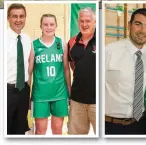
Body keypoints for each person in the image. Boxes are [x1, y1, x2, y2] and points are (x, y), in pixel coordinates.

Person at [105, 8, 146, 134]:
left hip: (142, 125)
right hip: (111, 126)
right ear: (129, 25)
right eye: (138, 24)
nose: (143, 30)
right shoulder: (108, 52)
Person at [28, 14, 71, 135]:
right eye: (45, 24)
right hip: (40, 94)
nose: (49, 27)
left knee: (57, 130)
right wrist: (28, 93)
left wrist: (69, 89)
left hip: (60, 93)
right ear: (40, 26)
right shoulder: (34, 45)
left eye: (51, 24)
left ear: (56, 26)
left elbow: (66, 69)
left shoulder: (62, 43)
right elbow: (29, 72)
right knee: (40, 131)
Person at [67, 7, 96, 135]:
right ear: (78, 22)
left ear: (94, 22)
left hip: (98, 102)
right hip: (77, 100)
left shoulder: (102, 40)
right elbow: (73, 66)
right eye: (82, 21)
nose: (84, 24)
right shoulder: (72, 42)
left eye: (88, 21)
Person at [7, 3, 31, 135]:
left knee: (20, 128)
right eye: (14, 16)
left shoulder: (27, 39)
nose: (18, 20)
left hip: (23, 90)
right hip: (7, 90)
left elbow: (28, 64)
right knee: (5, 128)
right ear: (8, 18)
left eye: (21, 16)